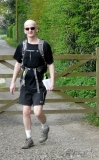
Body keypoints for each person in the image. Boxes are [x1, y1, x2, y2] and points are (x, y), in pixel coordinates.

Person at [9, 20, 55, 149]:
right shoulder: (22, 46)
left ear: (37, 29)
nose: (30, 30)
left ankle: (45, 127)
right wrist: (12, 82)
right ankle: (29, 139)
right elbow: (18, 64)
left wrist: (52, 81)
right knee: (26, 112)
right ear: (24, 30)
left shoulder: (44, 45)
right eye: (27, 28)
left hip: (39, 83)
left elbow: (50, 64)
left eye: (32, 28)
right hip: (25, 83)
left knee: (38, 112)